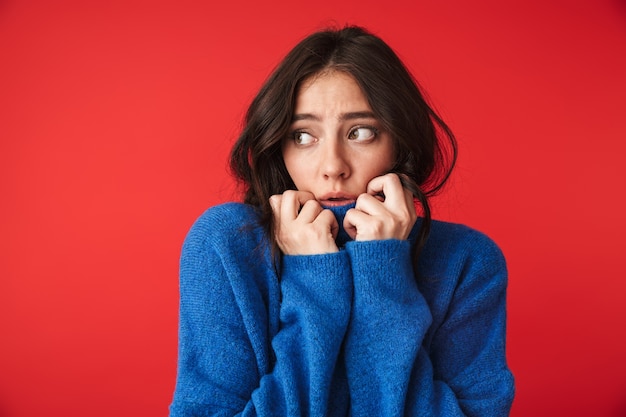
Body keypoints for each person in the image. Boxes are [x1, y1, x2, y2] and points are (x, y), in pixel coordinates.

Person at [169, 25, 515, 416]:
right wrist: (314, 278)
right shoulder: (229, 244)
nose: (333, 166)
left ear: (399, 141)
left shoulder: (468, 261)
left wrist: (382, 272)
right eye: (303, 136)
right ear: (277, 144)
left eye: (361, 132)